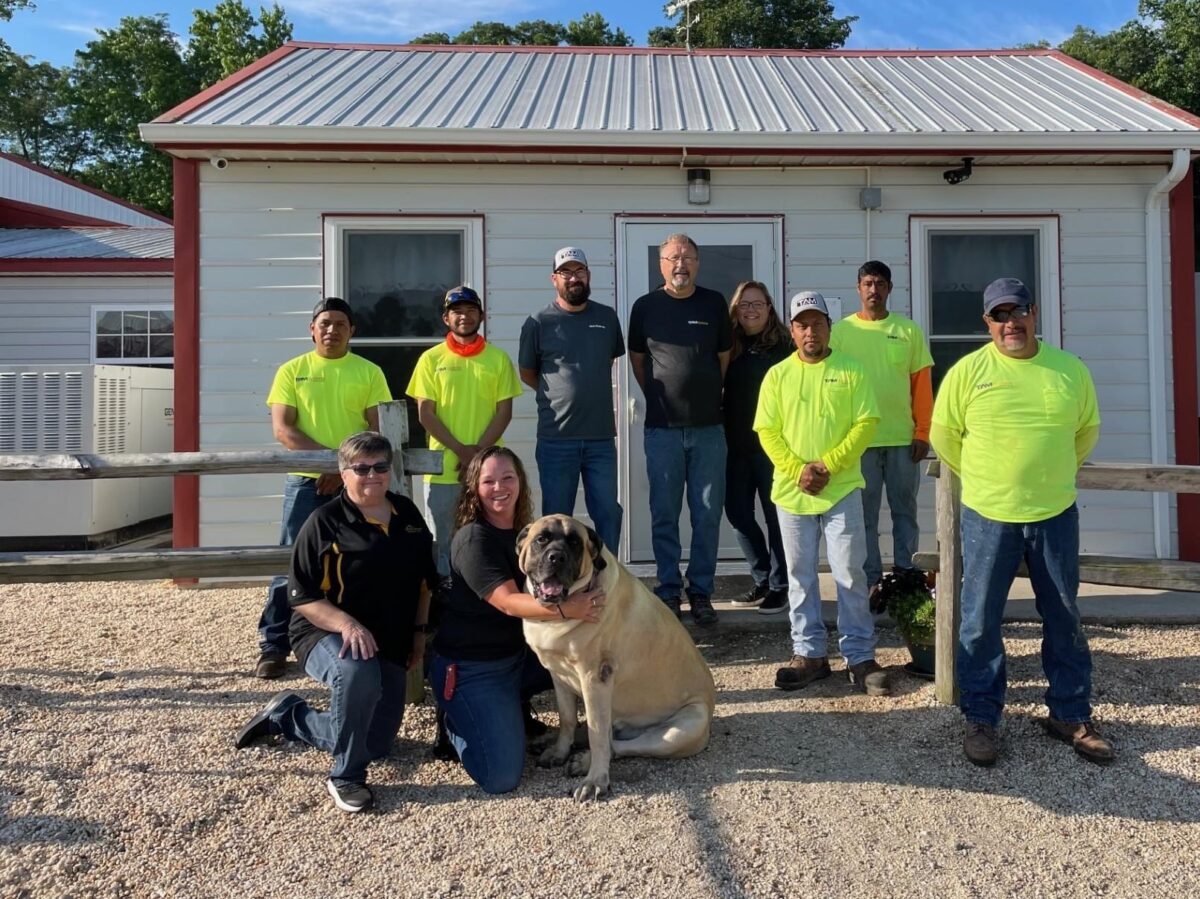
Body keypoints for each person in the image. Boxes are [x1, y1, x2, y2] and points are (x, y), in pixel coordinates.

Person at [930, 277, 1110, 767]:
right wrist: (990, 478)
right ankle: (982, 718)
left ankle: (1070, 714)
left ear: (1034, 313)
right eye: (999, 315)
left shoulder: (1068, 370)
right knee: (979, 621)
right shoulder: (968, 372)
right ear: (987, 322)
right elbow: (945, 436)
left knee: (1064, 616)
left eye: (1018, 311)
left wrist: (1047, 475)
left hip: (1053, 514)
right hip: (989, 515)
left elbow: (1086, 430)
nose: (1011, 323)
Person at [235, 432, 436, 813]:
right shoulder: (324, 521)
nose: (372, 475)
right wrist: (347, 625)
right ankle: (346, 776)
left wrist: (419, 634)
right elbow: (301, 596)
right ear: (343, 473)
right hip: (323, 631)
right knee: (356, 670)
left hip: (389, 638)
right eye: (360, 468)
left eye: (380, 466)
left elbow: (425, 583)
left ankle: (289, 715)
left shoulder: (406, 514)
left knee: (377, 743)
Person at [428, 446, 603, 794]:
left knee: (591, 661)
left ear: (520, 483)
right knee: (502, 776)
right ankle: (455, 719)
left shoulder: (530, 535)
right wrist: (571, 609)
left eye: (507, 478)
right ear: (474, 488)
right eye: (488, 480)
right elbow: (508, 602)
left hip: (519, 656)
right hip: (473, 666)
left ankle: (512, 706)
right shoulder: (472, 539)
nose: (499, 487)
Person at [755, 291, 890, 696]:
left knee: (850, 572)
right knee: (799, 576)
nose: (809, 331)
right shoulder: (778, 375)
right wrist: (800, 469)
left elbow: (865, 423)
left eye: (817, 323)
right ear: (792, 330)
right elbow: (767, 430)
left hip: (841, 488)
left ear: (829, 326)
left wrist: (828, 465)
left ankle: (860, 656)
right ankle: (809, 653)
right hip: (792, 491)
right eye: (802, 324)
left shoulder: (851, 370)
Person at [254, 297, 392, 680]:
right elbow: (284, 429)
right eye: (325, 323)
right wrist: (329, 464)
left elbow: (376, 428)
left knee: (358, 559)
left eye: (340, 324)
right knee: (291, 561)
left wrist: (344, 468)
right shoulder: (291, 371)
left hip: (356, 483)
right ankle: (274, 644)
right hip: (305, 481)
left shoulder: (368, 372)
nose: (332, 330)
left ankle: (356, 637)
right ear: (312, 329)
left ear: (353, 331)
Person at [627, 233, 732, 626]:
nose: (680, 264)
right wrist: (659, 396)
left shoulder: (714, 303)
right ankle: (668, 590)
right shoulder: (645, 307)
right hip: (663, 430)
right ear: (661, 265)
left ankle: (701, 591)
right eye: (673, 258)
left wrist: (701, 391)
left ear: (698, 263)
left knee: (707, 514)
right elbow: (639, 361)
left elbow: (723, 358)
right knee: (664, 513)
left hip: (709, 429)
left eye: (687, 257)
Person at [830, 261, 934, 596]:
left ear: (890, 289)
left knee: (905, 510)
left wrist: (923, 432)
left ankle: (907, 576)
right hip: (860, 442)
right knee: (865, 516)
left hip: (903, 439)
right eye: (868, 283)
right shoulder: (842, 333)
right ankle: (872, 579)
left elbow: (921, 387)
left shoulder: (907, 331)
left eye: (880, 284)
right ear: (858, 288)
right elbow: (833, 388)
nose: (874, 290)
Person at [406, 285, 523, 580]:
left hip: (489, 472)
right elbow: (425, 414)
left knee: (489, 538)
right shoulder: (430, 360)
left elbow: (504, 412)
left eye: (471, 311)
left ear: (481, 316)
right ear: (446, 318)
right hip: (444, 470)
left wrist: (478, 457)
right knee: (443, 543)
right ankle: (446, 606)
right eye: (457, 311)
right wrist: (463, 452)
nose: (464, 317)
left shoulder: (498, 359)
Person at [519, 246, 626, 554]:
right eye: (566, 272)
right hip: (557, 439)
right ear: (555, 279)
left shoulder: (606, 317)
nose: (574, 278)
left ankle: (606, 576)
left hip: (600, 439)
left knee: (608, 512)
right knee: (556, 520)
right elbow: (529, 372)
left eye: (579, 271)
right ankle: (558, 583)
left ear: (588, 276)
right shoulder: (538, 322)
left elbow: (605, 361)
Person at [723, 281, 793, 615]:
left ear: (769, 308)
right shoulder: (727, 345)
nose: (751, 310)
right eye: (744, 305)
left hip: (773, 446)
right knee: (737, 512)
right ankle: (763, 576)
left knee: (775, 516)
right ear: (736, 310)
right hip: (734, 443)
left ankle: (782, 586)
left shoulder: (785, 345)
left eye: (758, 304)